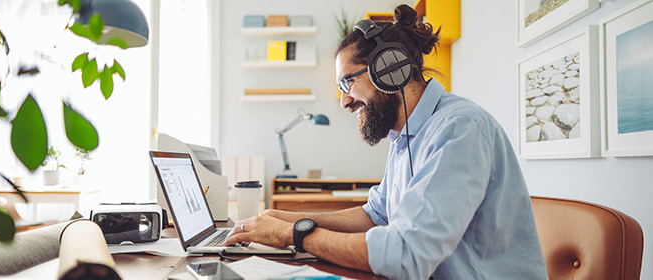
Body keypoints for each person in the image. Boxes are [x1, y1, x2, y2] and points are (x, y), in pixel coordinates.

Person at [225, 4, 548, 279]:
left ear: (389, 68)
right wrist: (286, 218)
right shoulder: (405, 134)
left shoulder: (458, 129)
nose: (344, 102)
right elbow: (377, 215)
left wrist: (294, 235)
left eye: (346, 82)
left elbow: (407, 255)